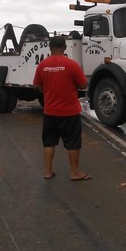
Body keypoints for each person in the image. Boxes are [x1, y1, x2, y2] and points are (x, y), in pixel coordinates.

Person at [33, 36, 91, 181]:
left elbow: (36, 86)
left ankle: (48, 171)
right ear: (64, 48)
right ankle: (75, 172)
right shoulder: (71, 64)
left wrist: (46, 90)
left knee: (49, 142)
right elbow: (83, 85)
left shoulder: (43, 65)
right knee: (72, 143)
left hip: (50, 111)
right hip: (69, 112)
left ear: (50, 48)